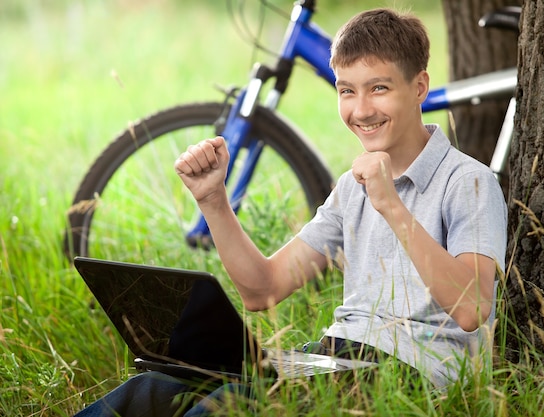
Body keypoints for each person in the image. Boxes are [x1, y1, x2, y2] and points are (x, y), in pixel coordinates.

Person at [74, 8, 507, 416]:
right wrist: (213, 202)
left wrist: (391, 205)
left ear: (418, 87)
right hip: (333, 356)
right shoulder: (352, 189)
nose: (361, 110)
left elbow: (471, 309)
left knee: (225, 407)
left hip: (414, 375)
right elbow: (262, 291)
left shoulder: (469, 182)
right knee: (149, 390)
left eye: (379, 88)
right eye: (346, 91)